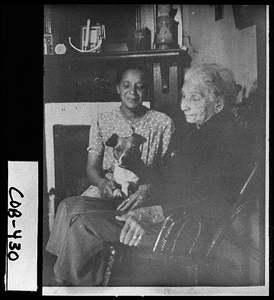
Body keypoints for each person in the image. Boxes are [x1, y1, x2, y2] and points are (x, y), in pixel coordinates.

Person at [45, 64, 175, 286]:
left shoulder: (162, 123)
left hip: (142, 192)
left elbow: (168, 175)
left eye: (140, 87)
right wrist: (102, 183)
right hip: (108, 188)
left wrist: (147, 188)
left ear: (146, 91)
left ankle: (71, 280)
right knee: (67, 206)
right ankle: (63, 272)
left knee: (82, 218)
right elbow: (92, 168)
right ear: (117, 88)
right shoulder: (102, 120)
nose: (132, 92)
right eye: (126, 85)